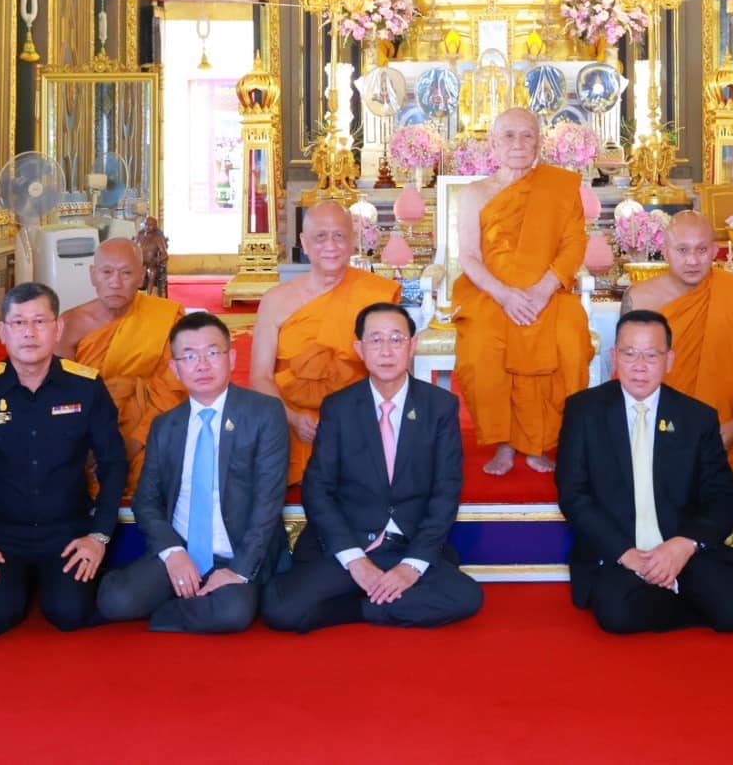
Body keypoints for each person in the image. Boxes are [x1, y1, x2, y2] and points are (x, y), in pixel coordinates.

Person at [261, 303, 484, 632]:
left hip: (406, 544)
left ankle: (361, 606)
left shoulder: (439, 406)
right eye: (375, 340)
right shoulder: (338, 407)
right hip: (352, 542)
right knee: (280, 608)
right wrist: (355, 560)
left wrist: (411, 566)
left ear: (412, 345)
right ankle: (382, 597)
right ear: (359, 348)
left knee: (465, 597)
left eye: (396, 339)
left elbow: (446, 491)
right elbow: (318, 490)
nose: (386, 351)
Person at [555, 310, 733, 635]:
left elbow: (722, 499)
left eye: (651, 355)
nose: (640, 366)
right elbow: (573, 495)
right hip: (620, 551)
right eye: (629, 354)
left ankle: (669, 589)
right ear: (613, 356)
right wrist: (626, 554)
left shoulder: (697, 418)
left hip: (680, 547)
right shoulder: (583, 411)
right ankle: (677, 593)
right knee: (616, 615)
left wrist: (682, 546)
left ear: (669, 360)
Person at [0, 283, 125, 636]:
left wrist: (98, 536)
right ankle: (19, 583)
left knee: (69, 614)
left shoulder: (86, 387)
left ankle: (53, 582)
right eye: (19, 322)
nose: (29, 332)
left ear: (57, 328)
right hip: (1, 534)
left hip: (66, 531)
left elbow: (114, 462)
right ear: (3, 332)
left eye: (40, 321)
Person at [97, 312, 289, 632]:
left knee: (232, 613)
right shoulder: (165, 425)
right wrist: (173, 552)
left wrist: (239, 569)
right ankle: (185, 595)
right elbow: (146, 500)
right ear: (175, 368)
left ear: (232, 358)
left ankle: (168, 609)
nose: (201, 365)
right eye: (189, 356)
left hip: (235, 551)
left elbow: (268, 503)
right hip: (181, 547)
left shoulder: (264, 413)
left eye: (212, 353)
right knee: (115, 602)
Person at [452, 107, 591, 475]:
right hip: (489, 293)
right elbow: (468, 255)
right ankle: (504, 442)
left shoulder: (560, 187)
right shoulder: (475, 194)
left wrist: (543, 291)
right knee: (482, 345)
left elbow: (574, 244)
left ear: (538, 143)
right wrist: (504, 295)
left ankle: (539, 442)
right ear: (493, 144)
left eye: (527, 135)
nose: (518, 143)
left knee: (570, 341)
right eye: (509, 135)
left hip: (549, 292)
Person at [249, 201, 402, 484]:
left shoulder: (374, 295)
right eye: (320, 236)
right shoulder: (275, 300)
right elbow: (260, 376)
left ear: (353, 240)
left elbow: (393, 372)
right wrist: (293, 419)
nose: (330, 245)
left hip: (359, 421)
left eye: (339, 236)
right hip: (291, 420)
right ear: (304, 243)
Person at [622, 211, 733, 482]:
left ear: (714, 251)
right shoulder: (639, 298)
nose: (692, 260)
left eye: (701, 250)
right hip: (657, 425)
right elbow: (629, 371)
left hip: (725, 426)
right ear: (665, 252)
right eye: (682, 250)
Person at [60, 237, 186, 495]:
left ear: (141, 276)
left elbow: (172, 388)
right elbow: (63, 397)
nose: (115, 283)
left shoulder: (165, 317)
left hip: (152, 423)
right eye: (106, 272)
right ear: (93, 275)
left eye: (126, 273)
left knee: (164, 473)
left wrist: (135, 441)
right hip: (91, 429)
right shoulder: (69, 324)